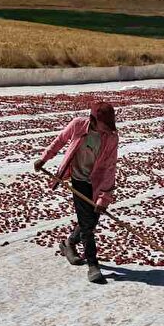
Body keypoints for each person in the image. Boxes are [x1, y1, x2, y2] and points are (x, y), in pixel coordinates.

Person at [34, 101, 119, 284]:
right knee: (88, 226)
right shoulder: (78, 125)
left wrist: (104, 198)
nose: (107, 129)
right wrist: (44, 158)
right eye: (104, 125)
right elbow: (60, 141)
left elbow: (110, 167)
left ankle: (69, 243)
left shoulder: (111, 137)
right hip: (79, 180)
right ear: (93, 120)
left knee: (91, 220)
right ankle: (93, 265)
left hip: (96, 183)